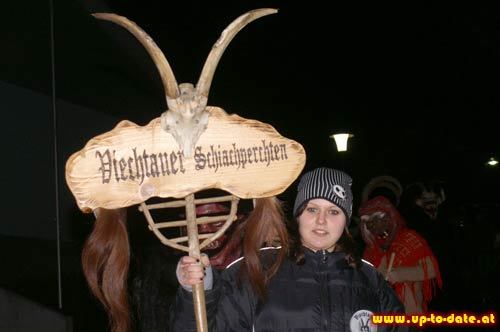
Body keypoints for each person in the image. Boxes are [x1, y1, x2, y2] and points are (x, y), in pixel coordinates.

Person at [171, 167, 406, 331]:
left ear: (346, 221)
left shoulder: (369, 279)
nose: (321, 221)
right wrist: (197, 292)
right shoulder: (256, 270)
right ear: (298, 215)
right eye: (312, 209)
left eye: (333, 212)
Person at [359, 196, 442, 315]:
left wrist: (400, 274)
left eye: (375, 220)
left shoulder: (410, 238)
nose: (372, 227)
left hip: (410, 312)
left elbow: (431, 269)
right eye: (368, 223)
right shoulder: (371, 250)